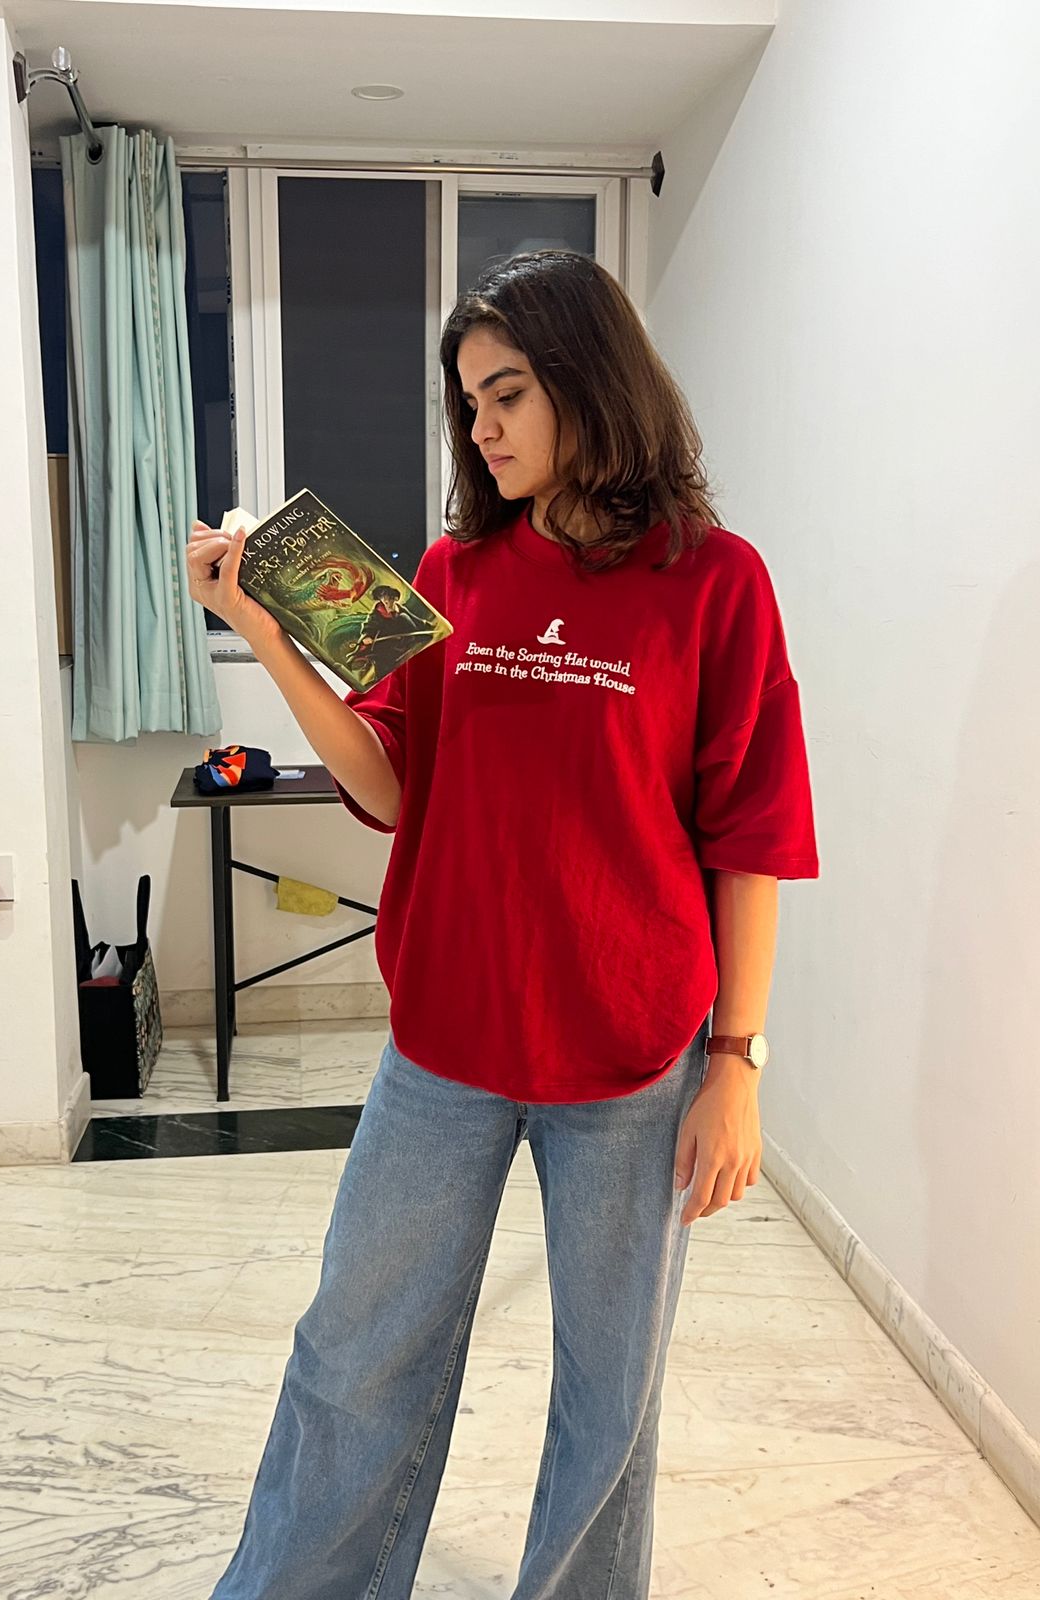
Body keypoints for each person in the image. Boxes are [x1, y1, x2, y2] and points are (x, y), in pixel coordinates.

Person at [186, 249, 819, 1600]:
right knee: (353, 1354)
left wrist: (737, 1064)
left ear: (594, 380)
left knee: (609, 1397)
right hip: (447, 1041)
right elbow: (392, 784)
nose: (481, 426)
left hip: (631, 1054)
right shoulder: (453, 571)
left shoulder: (715, 583)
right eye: (468, 402)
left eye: (509, 392)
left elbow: (751, 840)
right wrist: (270, 634)